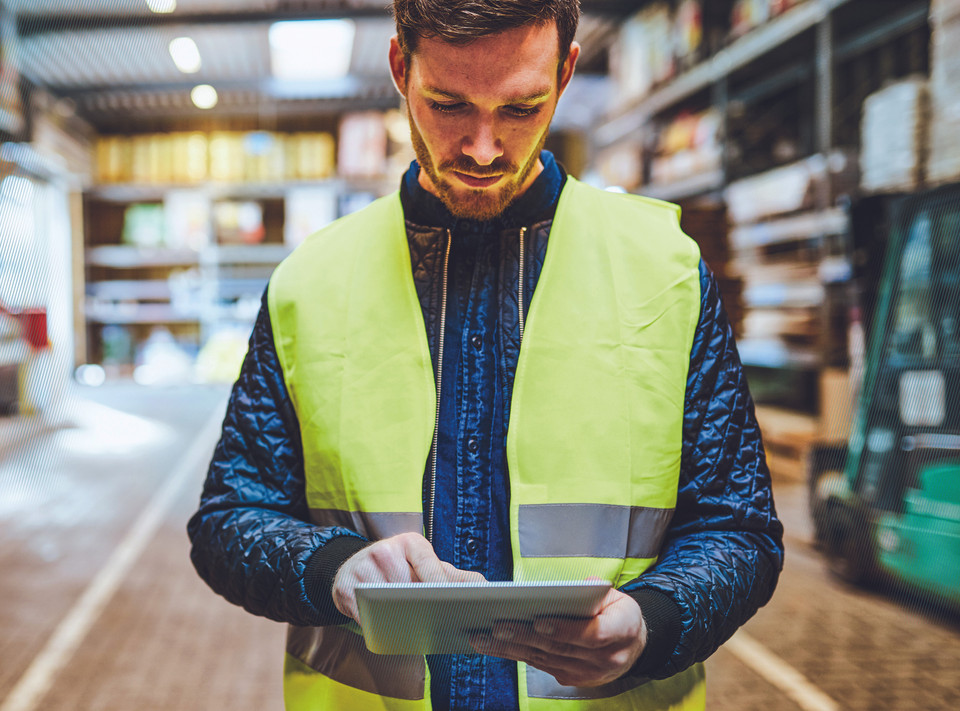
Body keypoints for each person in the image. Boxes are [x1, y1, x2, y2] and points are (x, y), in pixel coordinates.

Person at [187, 1, 784, 709]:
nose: (480, 147)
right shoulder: (308, 285)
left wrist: (654, 618)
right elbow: (230, 516)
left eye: (521, 108)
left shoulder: (667, 274)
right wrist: (333, 567)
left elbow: (738, 525)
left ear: (565, 74)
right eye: (448, 105)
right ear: (400, 68)